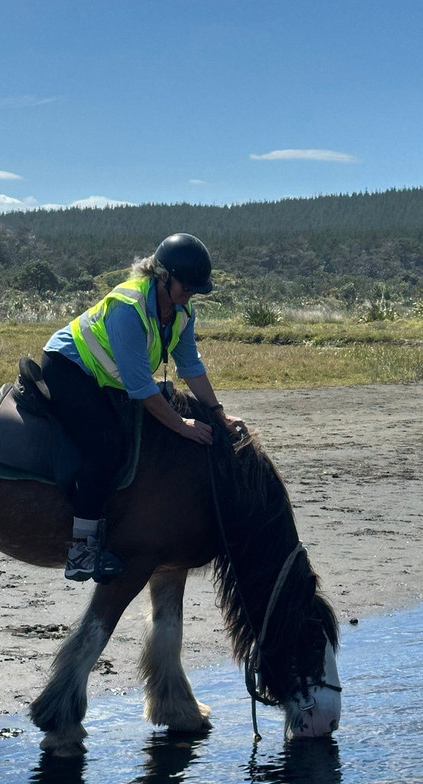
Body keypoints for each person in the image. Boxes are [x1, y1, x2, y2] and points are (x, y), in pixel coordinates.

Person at [42, 233, 244, 583]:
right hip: (69, 367)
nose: (191, 293)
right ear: (163, 276)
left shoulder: (182, 311)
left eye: (197, 288)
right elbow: (141, 389)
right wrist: (182, 425)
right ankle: (82, 550)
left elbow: (191, 366)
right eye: (187, 285)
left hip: (107, 376)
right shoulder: (128, 308)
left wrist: (217, 412)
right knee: (105, 449)